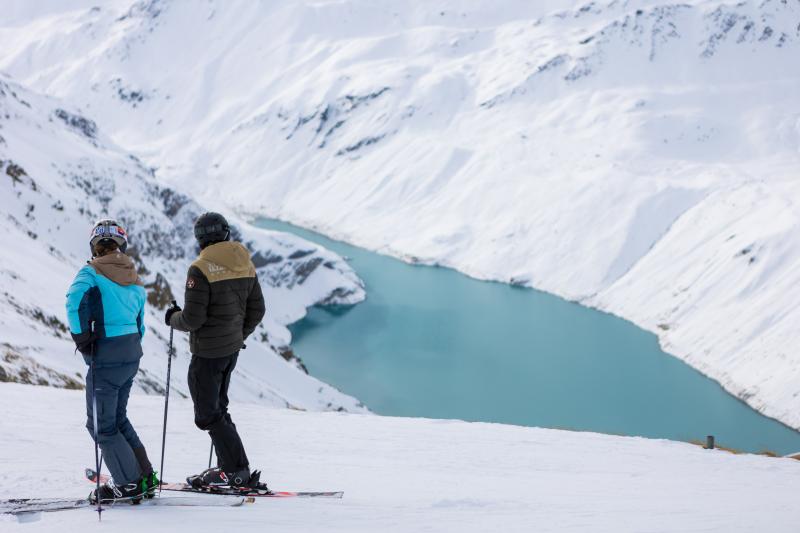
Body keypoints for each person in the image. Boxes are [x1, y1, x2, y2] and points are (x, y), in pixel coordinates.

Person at [165, 212, 267, 489]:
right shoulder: (244, 262)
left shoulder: (200, 269)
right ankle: (230, 467)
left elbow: (192, 320)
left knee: (208, 414)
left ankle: (235, 471)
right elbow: (258, 309)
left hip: (208, 353)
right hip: (230, 351)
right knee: (218, 409)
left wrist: (172, 317)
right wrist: (237, 335)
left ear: (200, 239)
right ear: (225, 233)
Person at [66, 219, 158, 503]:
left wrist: (83, 341)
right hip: (130, 356)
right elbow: (140, 323)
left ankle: (129, 483)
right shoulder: (135, 278)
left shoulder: (90, 273)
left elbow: (73, 301)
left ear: (95, 246)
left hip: (105, 357)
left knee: (101, 427)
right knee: (118, 419)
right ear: (121, 245)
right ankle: (145, 476)